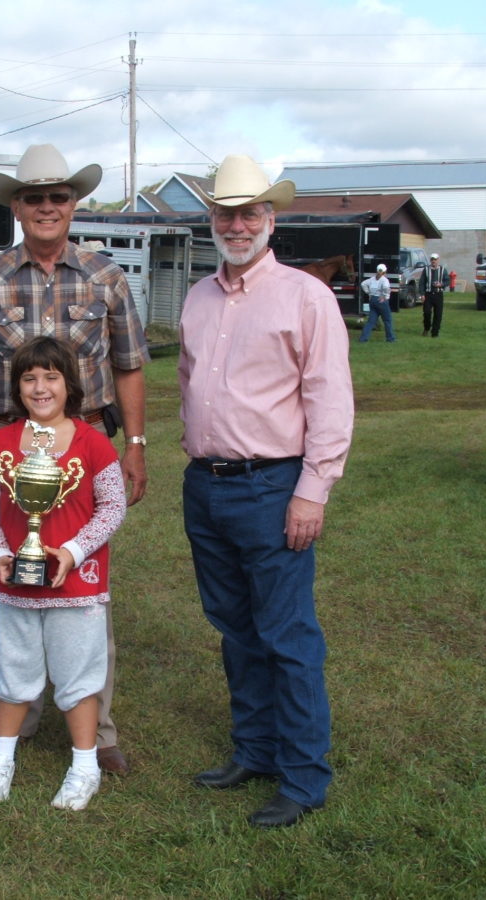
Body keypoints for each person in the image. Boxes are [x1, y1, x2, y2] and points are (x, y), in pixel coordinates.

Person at [0, 144, 149, 776]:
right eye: (35, 198)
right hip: (10, 453)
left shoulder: (106, 276)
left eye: (58, 196)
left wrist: (134, 445)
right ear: (17, 206)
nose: (47, 207)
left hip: (84, 448)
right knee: (15, 572)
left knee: (84, 579)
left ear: (74, 203)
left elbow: (130, 366)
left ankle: (97, 729)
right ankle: (20, 708)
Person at [179, 154, 354, 829]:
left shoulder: (305, 296)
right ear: (212, 220)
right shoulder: (198, 298)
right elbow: (194, 385)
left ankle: (304, 777)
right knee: (234, 629)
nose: (237, 223)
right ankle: (253, 750)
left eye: (250, 211)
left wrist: (312, 490)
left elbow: (330, 400)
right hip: (208, 485)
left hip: (274, 486)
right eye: (226, 211)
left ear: (271, 219)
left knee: (287, 634)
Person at [0, 336, 127, 811]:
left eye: (51, 377)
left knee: (79, 676)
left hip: (76, 585)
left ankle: (85, 767)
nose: (40, 388)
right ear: (17, 387)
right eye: (29, 378)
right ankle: (1, 760)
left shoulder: (93, 443)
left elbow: (112, 506)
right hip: (15, 584)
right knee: (15, 671)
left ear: (69, 385)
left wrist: (73, 551)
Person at [359, 264, 395, 342]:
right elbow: (386, 288)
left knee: (371, 321)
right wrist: (385, 296)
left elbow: (363, 284)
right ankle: (390, 338)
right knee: (387, 320)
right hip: (381, 300)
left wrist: (368, 292)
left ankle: (363, 338)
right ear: (384, 271)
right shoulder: (384, 280)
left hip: (372, 300)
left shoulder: (372, 279)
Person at [423, 253, 447, 338]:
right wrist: (422, 294)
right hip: (428, 294)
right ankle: (426, 327)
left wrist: (441, 284)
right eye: (432, 259)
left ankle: (435, 333)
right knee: (427, 312)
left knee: (438, 314)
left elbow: (447, 281)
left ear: (438, 260)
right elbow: (422, 282)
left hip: (438, 294)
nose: (433, 261)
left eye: (435, 259)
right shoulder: (426, 269)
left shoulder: (443, 269)